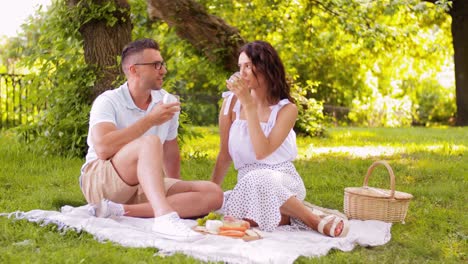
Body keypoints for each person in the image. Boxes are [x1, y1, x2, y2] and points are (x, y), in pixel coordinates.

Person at [79, 38, 223, 241]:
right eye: (156, 65)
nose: (163, 70)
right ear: (133, 70)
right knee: (151, 141)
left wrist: (176, 188)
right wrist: (149, 121)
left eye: (162, 64)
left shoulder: (167, 101)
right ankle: (164, 217)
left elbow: (171, 152)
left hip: (142, 183)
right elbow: (103, 148)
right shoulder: (108, 101)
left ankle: (119, 210)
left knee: (213, 193)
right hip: (101, 180)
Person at [211, 40, 348, 237]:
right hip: (247, 186)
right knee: (233, 206)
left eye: (248, 66)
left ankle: (313, 221)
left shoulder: (286, 110)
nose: (242, 73)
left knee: (258, 178)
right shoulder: (230, 103)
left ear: (266, 67)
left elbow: (262, 151)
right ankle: (291, 217)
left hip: (281, 180)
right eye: (240, 67)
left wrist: (249, 105)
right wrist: (212, 190)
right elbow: (224, 154)